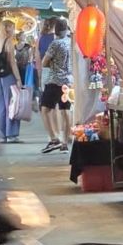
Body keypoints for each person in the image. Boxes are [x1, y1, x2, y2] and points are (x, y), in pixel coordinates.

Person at [40, 18, 74, 154]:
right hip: (68, 81)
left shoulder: (55, 44)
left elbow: (44, 62)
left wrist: (53, 64)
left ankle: (54, 139)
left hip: (55, 81)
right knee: (66, 111)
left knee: (45, 109)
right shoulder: (71, 43)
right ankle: (65, 142)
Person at [0, 20, 23, 144]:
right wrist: (18, 79)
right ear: (8, 28)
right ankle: (11, 133)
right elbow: (12, 62)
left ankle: (2, 134)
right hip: (8, 76)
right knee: (11, 104)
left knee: (0, 105)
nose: (13, 31)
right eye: (12, 28)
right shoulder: (8, 42)